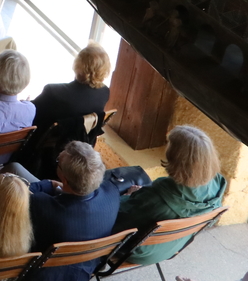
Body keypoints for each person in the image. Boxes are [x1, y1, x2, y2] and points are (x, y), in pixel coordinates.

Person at [112, 125, 226, 266]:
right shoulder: (217, 184)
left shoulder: (158, 195)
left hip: (136, 251)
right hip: (170, 248)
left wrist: (127, 196)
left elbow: (117, 221)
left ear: (176, 158)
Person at [27, 142, 120, 281]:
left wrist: (50, 184)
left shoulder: (43, 205)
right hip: (87, 266)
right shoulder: (113, 193)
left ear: (63, 178)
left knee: (15, 170)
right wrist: (60, 188)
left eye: (58, 161)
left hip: (43, 270)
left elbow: (25, 192)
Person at [29, 42, 112, 155]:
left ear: (78, 65)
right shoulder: (104, 92)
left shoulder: (54, 92)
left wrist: (26, 104)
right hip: (80, 147)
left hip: (45, 150)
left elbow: (31, 115)